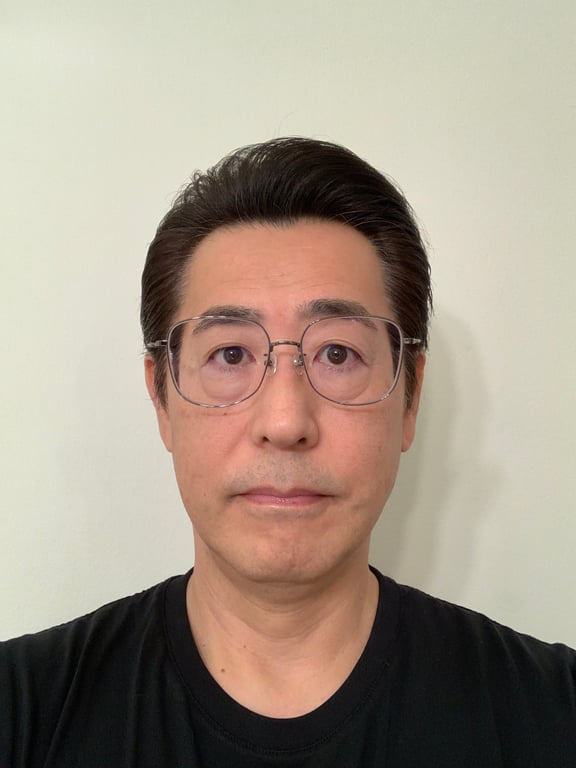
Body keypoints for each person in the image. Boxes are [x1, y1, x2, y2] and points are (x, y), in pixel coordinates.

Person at [1, 137, 575, 767]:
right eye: (230, 354)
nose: (285, 421)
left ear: (409, 399)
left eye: (337, 354)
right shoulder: (23, 711)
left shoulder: (554, 712)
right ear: (161, 399)